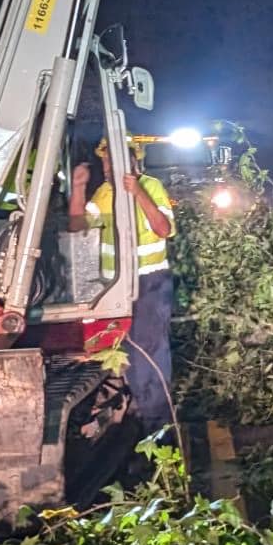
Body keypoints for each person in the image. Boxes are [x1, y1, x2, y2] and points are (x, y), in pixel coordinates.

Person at [70, 137, 178, 436]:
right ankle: (125, 413)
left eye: (113, 159)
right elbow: (78, 228)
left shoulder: (152, 186)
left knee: (149, 351)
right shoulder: (104, 193)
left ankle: (157, 424)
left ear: (133, 160)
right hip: (112, 286)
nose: (108, 166)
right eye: (105, 160)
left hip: (149, 283)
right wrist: (78, 188)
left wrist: (137, 192)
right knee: (112, 348)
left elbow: (163, 229)